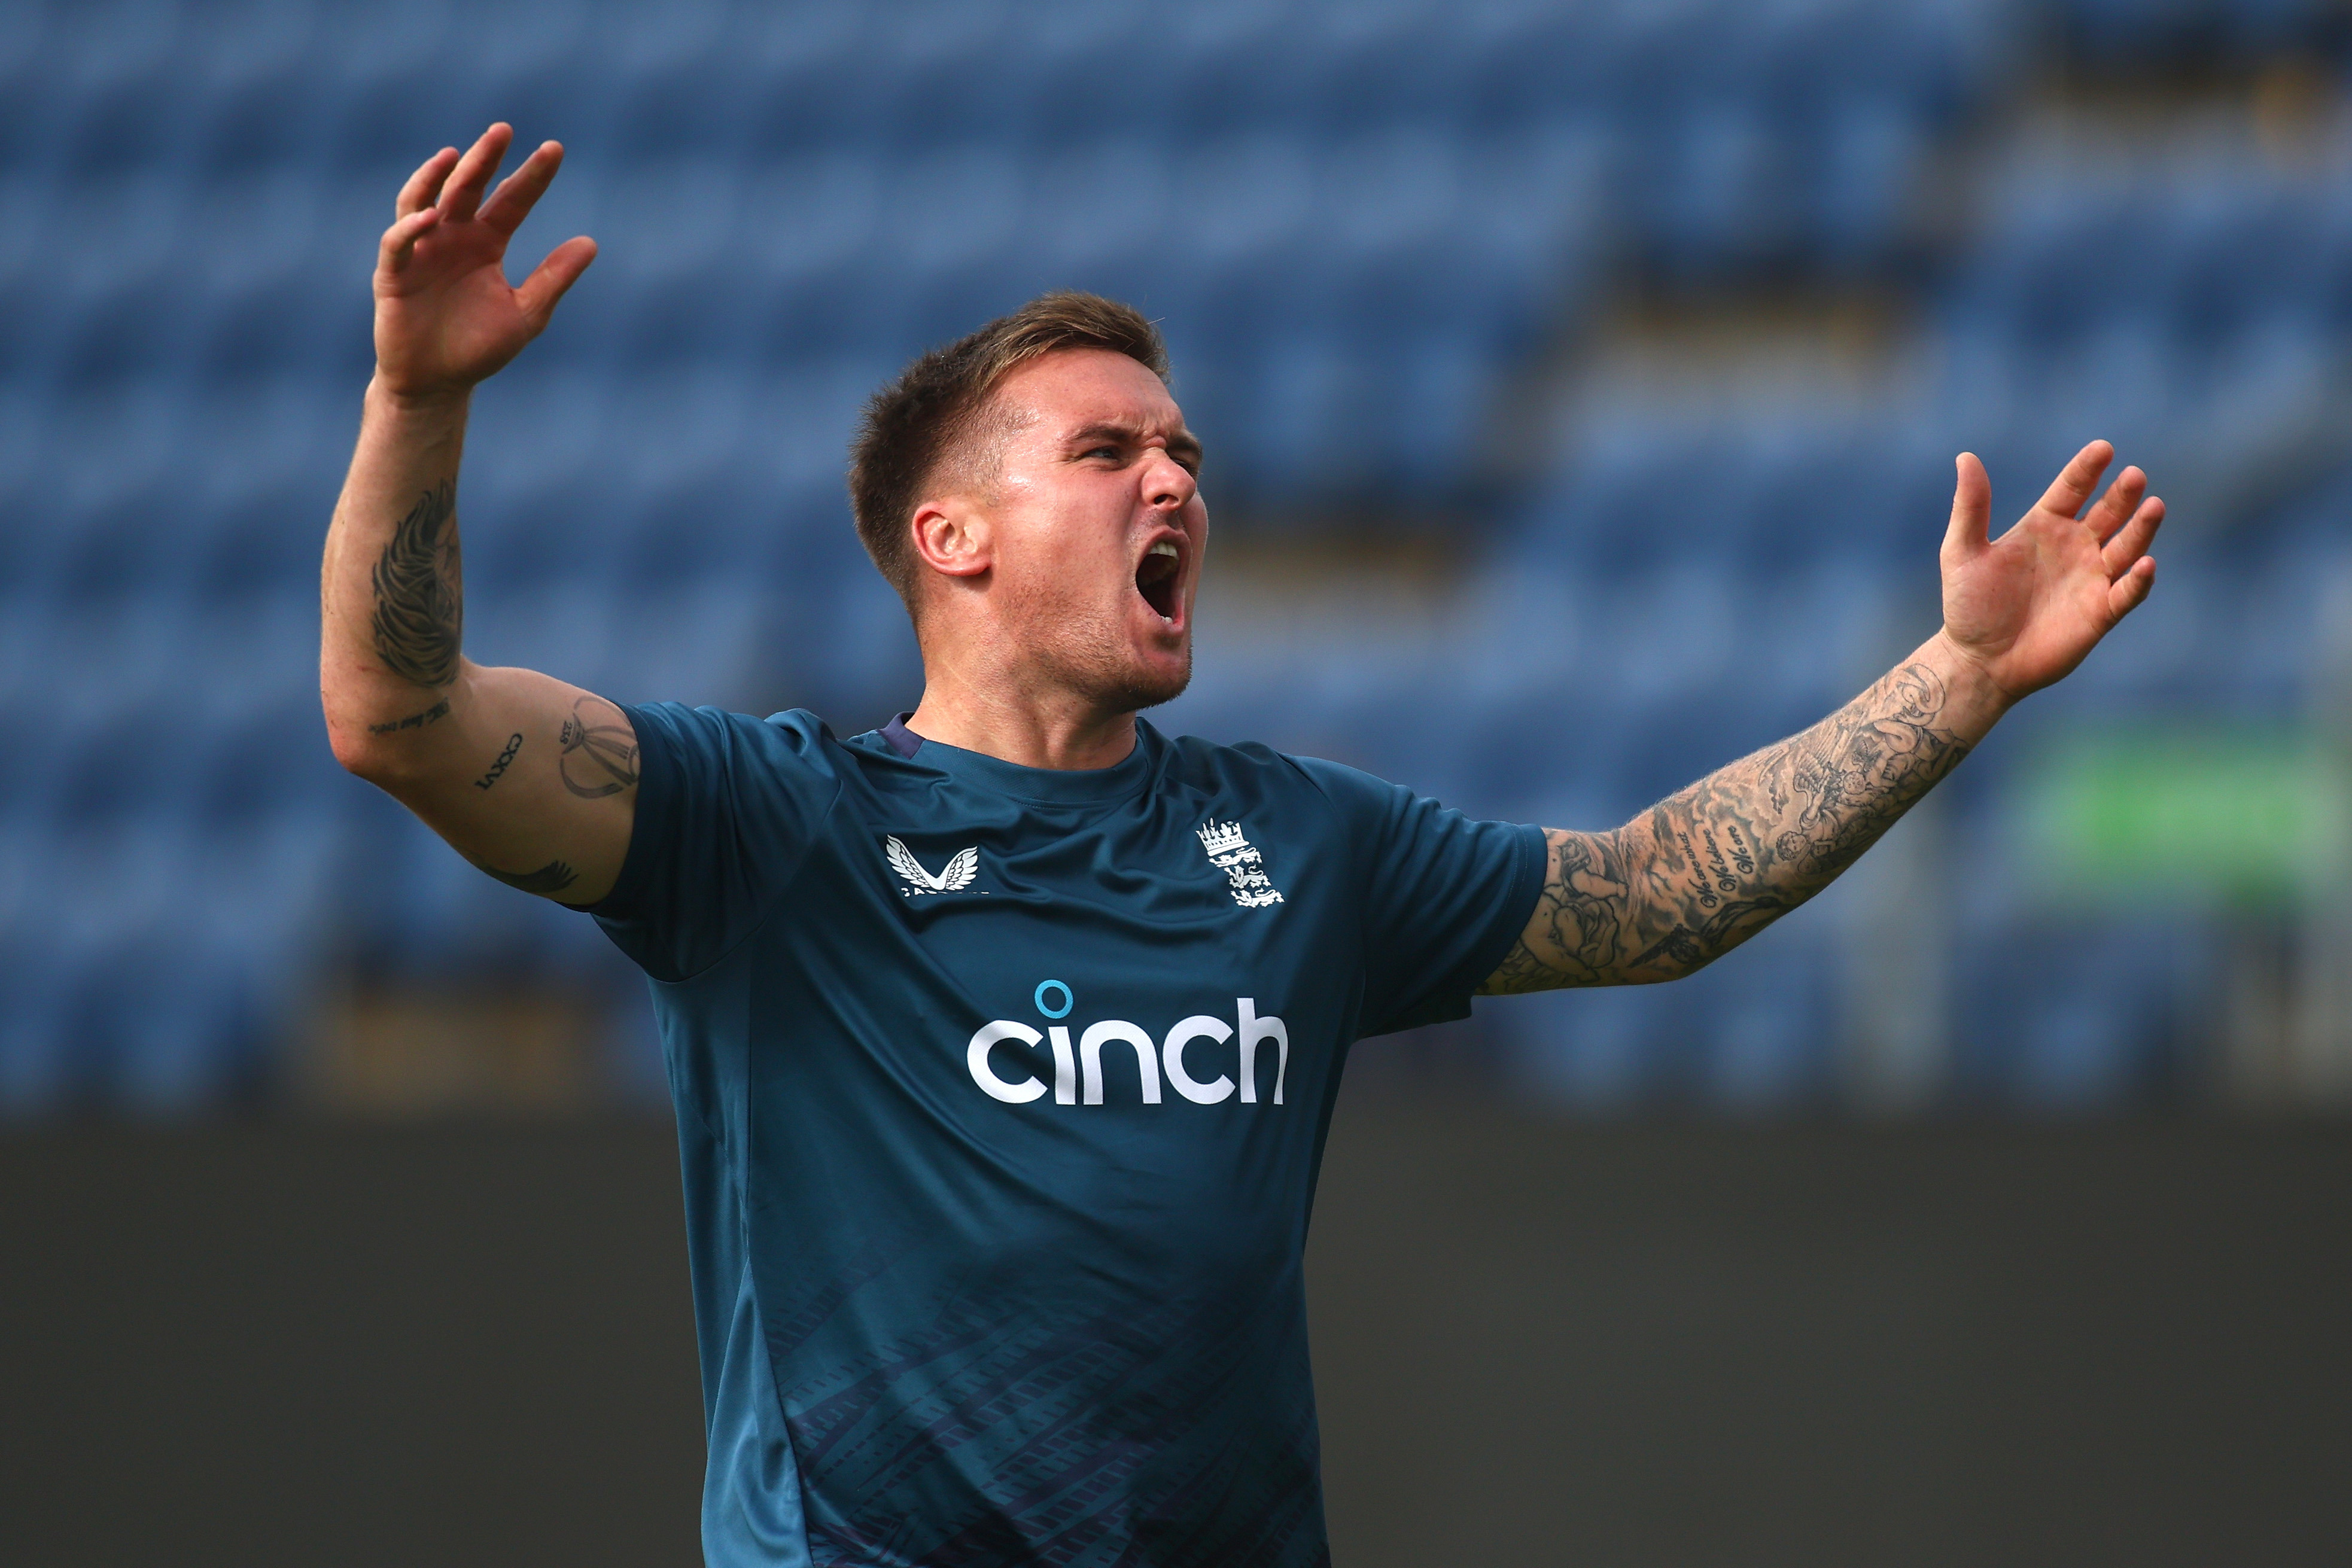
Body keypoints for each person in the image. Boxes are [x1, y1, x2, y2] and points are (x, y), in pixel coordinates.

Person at [321, 125, 2162, 1568]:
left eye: (1184, 448)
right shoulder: (773, 827)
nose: (1178, 479)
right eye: (1108, 449)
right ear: (952, 539)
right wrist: (421, 401)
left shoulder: (1294, 838)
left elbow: (1653, 899)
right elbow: (399, 718)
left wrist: (1960, 677)